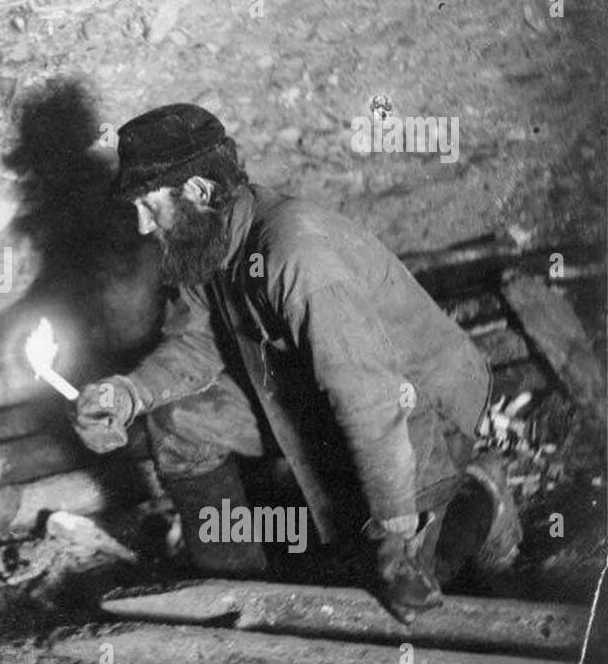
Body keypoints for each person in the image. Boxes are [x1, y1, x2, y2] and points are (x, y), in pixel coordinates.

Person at [72, 104, 521, 623]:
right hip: (299, 389)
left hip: (413, 401)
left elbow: (369, 403)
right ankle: (238, 588)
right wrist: (128, 392)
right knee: (178, 421)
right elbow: (197, 344)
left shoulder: (297, 255)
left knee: (395, 585)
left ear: (197, 191)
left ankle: (483, 494)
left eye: (150, 207)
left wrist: (397, 530)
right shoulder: (207, 239)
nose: (143, 225)